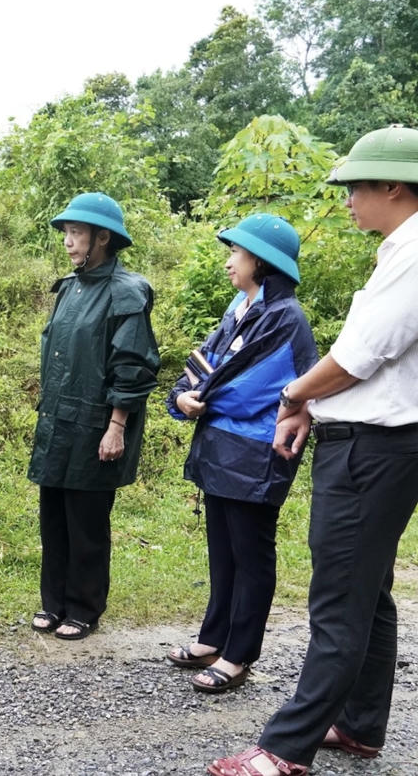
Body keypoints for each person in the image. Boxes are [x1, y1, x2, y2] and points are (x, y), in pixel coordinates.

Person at [209, 125, 418, 776]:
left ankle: (282, 748)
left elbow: (357, 356)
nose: (348, 199)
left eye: (356, 187)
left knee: (337, 601)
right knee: (366, 593)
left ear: (392, 184)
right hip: (374, 445)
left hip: (371, 449)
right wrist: (312, 403)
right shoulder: (416, 243)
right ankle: (358, 724)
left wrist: (295, 395)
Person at [165, 214, 318, 693]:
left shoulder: (284, 318)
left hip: (256, 453)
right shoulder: (241, 306)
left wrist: (198, 397)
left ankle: (240, 654)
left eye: (237, 253)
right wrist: (180, 395)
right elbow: (204, 361)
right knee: (223, 551)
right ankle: (214, 638)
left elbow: (243, 387)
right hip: (221, 449)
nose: (230, 261)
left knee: (250, 555)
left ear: (262, 262)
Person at [27, 192, 160, 641]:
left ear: (103, 237)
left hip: (97, 423)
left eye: (76, 233)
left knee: (86, 522)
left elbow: (133, 364)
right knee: (55, 517)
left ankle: (84, 608)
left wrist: (117, 426)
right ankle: (54, 603)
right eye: (66, 233)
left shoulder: (126, 292)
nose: (68, 242)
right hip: (57, 422)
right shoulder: (69, 287)